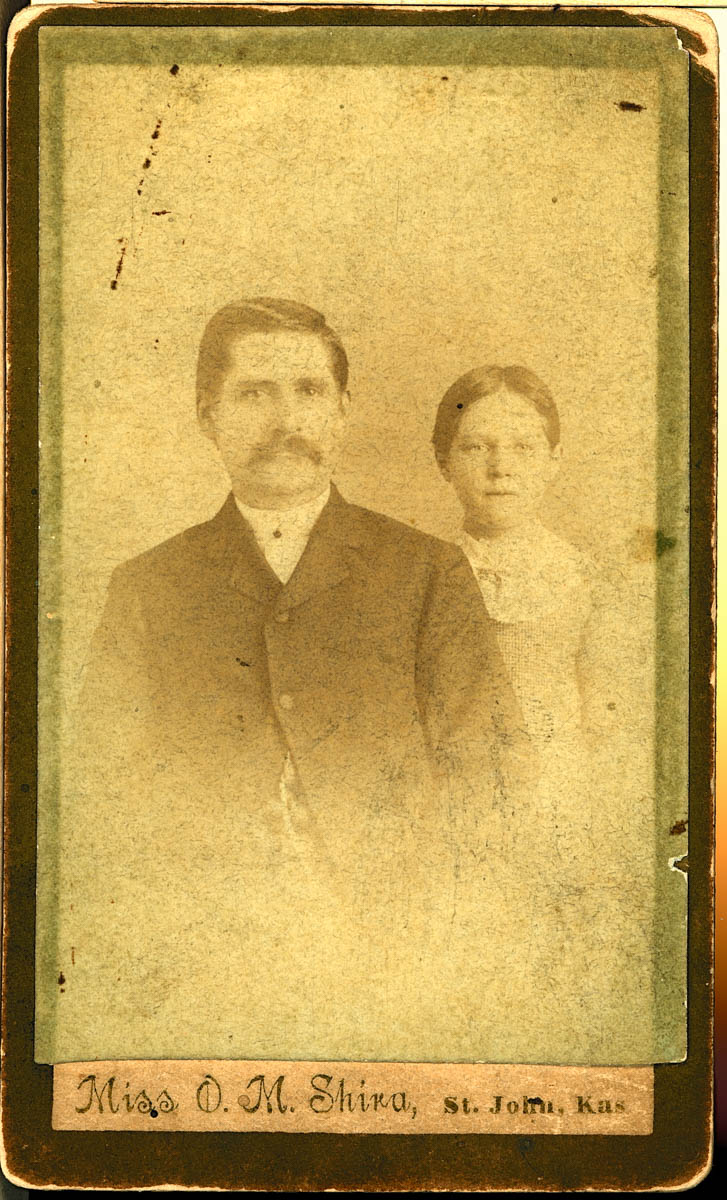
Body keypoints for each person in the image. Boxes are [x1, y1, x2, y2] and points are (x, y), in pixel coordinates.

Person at [42, 302, 527, 1065]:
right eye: (253, 393)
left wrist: (444, 945)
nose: (286, 420)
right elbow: (98, 795)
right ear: (208, 416)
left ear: (341, 411)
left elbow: (494, 776)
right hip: (206, 965)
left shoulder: (426, 572)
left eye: (308, 391)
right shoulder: (147, 587)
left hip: (395, 957)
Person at [432, 364, 655, 1063]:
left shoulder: (585, 578)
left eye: (523, 447)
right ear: (444, 460)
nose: (500, 467)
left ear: (554, 460)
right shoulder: (421, 576)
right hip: (451, 809)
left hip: (562, 806)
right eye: (475, 446)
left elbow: (610, 721)